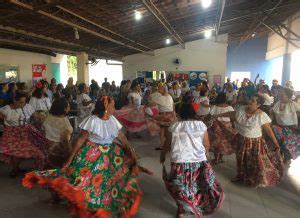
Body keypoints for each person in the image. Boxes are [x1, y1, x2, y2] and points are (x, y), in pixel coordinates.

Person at [23, 96, 142, 217]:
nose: (114, 108)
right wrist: (70, 159)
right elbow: (80, 140)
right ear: (106, 107)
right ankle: (90, 207)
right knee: (87, 183)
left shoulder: (112, 120)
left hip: (111, 156)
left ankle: (105, 206)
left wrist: (131, 151)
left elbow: (122, 137)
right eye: (112, 105)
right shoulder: (93, 120)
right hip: (93, 156)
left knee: (111, 183)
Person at [160, 92, 224, 218]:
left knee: (180, 187)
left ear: (179, 114)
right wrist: (205, 155)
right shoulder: (201, 125)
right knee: (197, 185)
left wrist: (162, 155)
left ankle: (181, 210)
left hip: (179, 161)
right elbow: (206, 144)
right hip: (198, 161)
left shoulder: (174, 126)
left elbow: (167, 144)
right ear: (194, 113)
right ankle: (197, 205)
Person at [214, 95, 283, 187]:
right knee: (241, 158)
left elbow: (269, 131)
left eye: (253, 101)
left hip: (255, 142)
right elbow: (232, 114)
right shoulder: (242, 109)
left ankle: (254, 178)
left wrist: (276, 143)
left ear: (258, 105)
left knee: (254, 160)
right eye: (250, 99)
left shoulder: (261, 115)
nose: (250, 102)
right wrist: (218, 115)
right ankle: (240, 175)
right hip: (241, 139)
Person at [0, 91, 46, 177]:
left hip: (26, 131)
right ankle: (15, 169)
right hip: (12, 134)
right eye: (21, 102)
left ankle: (39, 170)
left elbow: (36, 116)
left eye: (24, 102)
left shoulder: (27, 106)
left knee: (38, 150)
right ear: (14, 100)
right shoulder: (6, 109)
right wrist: (4, 125)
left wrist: (41, 119)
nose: (23, 104)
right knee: (15, 154)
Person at [270, 87, 300, 162]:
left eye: (282, 94)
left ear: (288, 95)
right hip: (278, 126)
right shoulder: (278, 103)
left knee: (288, 145)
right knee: (279, 143)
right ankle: (279, 156)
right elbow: (273, 113)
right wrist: (270, 120)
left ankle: (286, 157)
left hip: (291, 128)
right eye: (280, 93)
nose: (280, 94)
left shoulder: (293, 104)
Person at [42, 97, 73, 168]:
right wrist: (70, 155)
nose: (69, 106)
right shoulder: (64, 122)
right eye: (68, 105)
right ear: (65, 109)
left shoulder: (47, 116)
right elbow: (65, 141)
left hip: (46, 148)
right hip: (58, 152)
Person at [209, 93, 236, 164]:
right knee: (224, 143)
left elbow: (210, 116)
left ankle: (216, 158)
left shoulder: (214, 107)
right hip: (226, 127)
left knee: (216, 143)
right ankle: (220, 158)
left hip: (216, 127)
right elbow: (233, 118)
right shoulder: (229, 107)